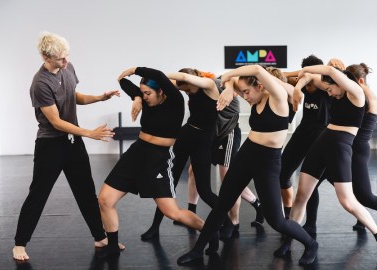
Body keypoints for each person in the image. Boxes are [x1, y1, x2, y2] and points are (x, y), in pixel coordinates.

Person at [177, 64, 318, 266]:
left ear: (261, 86)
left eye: (246, 92)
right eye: (241, 92)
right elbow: (227, 80)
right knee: (222, 204)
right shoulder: (255, 96)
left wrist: (231, 77)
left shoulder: (278, 98)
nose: (244, 96)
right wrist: (227, 87)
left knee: (276, 220)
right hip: (248, 152)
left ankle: (310, 243)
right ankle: (198, 250)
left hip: (268, 161)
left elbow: (257, 70)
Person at [13, 31, 120, 261]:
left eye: (67, 56)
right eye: (61, 58)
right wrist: (89, 133)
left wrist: (100, 97)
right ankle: (19, 244)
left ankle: (100, 236)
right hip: (50, 145)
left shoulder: (67, 68)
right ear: (45, 56)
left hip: (73, 142)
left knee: (85, 190)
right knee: (39, 194)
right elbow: (56, 122)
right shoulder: (40, 83)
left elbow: (74, 96)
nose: (66, 61)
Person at [97, 66, 217, 257]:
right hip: (136, 153)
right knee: (104, 199)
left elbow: (159, 75)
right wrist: (136, 97)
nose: (145, 97)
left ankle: (211, 232)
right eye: (142, 93)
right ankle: (112, 245)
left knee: (173, 212)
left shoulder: (176, 101)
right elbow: (123, 82)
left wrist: (135, 69)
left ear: (161, 91)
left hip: (159, 158)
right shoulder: (145, 99)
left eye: (147, 93)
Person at [302, 62, 377, 242]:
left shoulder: (368, 97)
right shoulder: (344, 92)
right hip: (336, 147)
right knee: (310, 187)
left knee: (366, 197)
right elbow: (321, 81)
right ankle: (310, 225)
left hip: (355, 150)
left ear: (360, 81)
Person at [289, 64, 377, 257]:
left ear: (341, 82)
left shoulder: (356, 93)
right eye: (326, 90)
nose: (329, 94)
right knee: (302, 194)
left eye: (330, 89)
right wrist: (300, 81)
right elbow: (311, 77)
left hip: (341, 147)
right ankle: (290, 240)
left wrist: (308, 69)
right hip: (322, 142)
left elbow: (331, 72)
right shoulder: (336, 89)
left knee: (348, 201)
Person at [176, 71, 264, 237]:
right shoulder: (196, 91)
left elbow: (229, 80)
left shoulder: (216, 86)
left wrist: (230, 88)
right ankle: (191, 210)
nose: (188, 93)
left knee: (228, 177)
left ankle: (238, 219)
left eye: (188, 90)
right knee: (193, 171)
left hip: (227, 134)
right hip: (210, 136)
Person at [140, 68, 223, 240]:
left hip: (203, 141)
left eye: (187, 89)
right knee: (169, 183)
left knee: (205, 190)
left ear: (193, 80)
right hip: (185, 136)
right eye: (183, 90)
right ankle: (155, 227)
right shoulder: (187, 86)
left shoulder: (209, 86)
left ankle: (227, 222)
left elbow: (183, 77)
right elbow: (163, 86)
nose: (186, 92)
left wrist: (156, 74)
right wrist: (138, 97)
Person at [278, 55, 332, 223]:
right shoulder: (302, 80)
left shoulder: (325, 84)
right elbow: (286, 78)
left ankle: (310, 225)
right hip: (304, 131)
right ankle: (288, 214)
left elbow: (309, 76)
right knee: (282, 173)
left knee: (310, 182)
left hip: (321, 135)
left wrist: (298, 82)